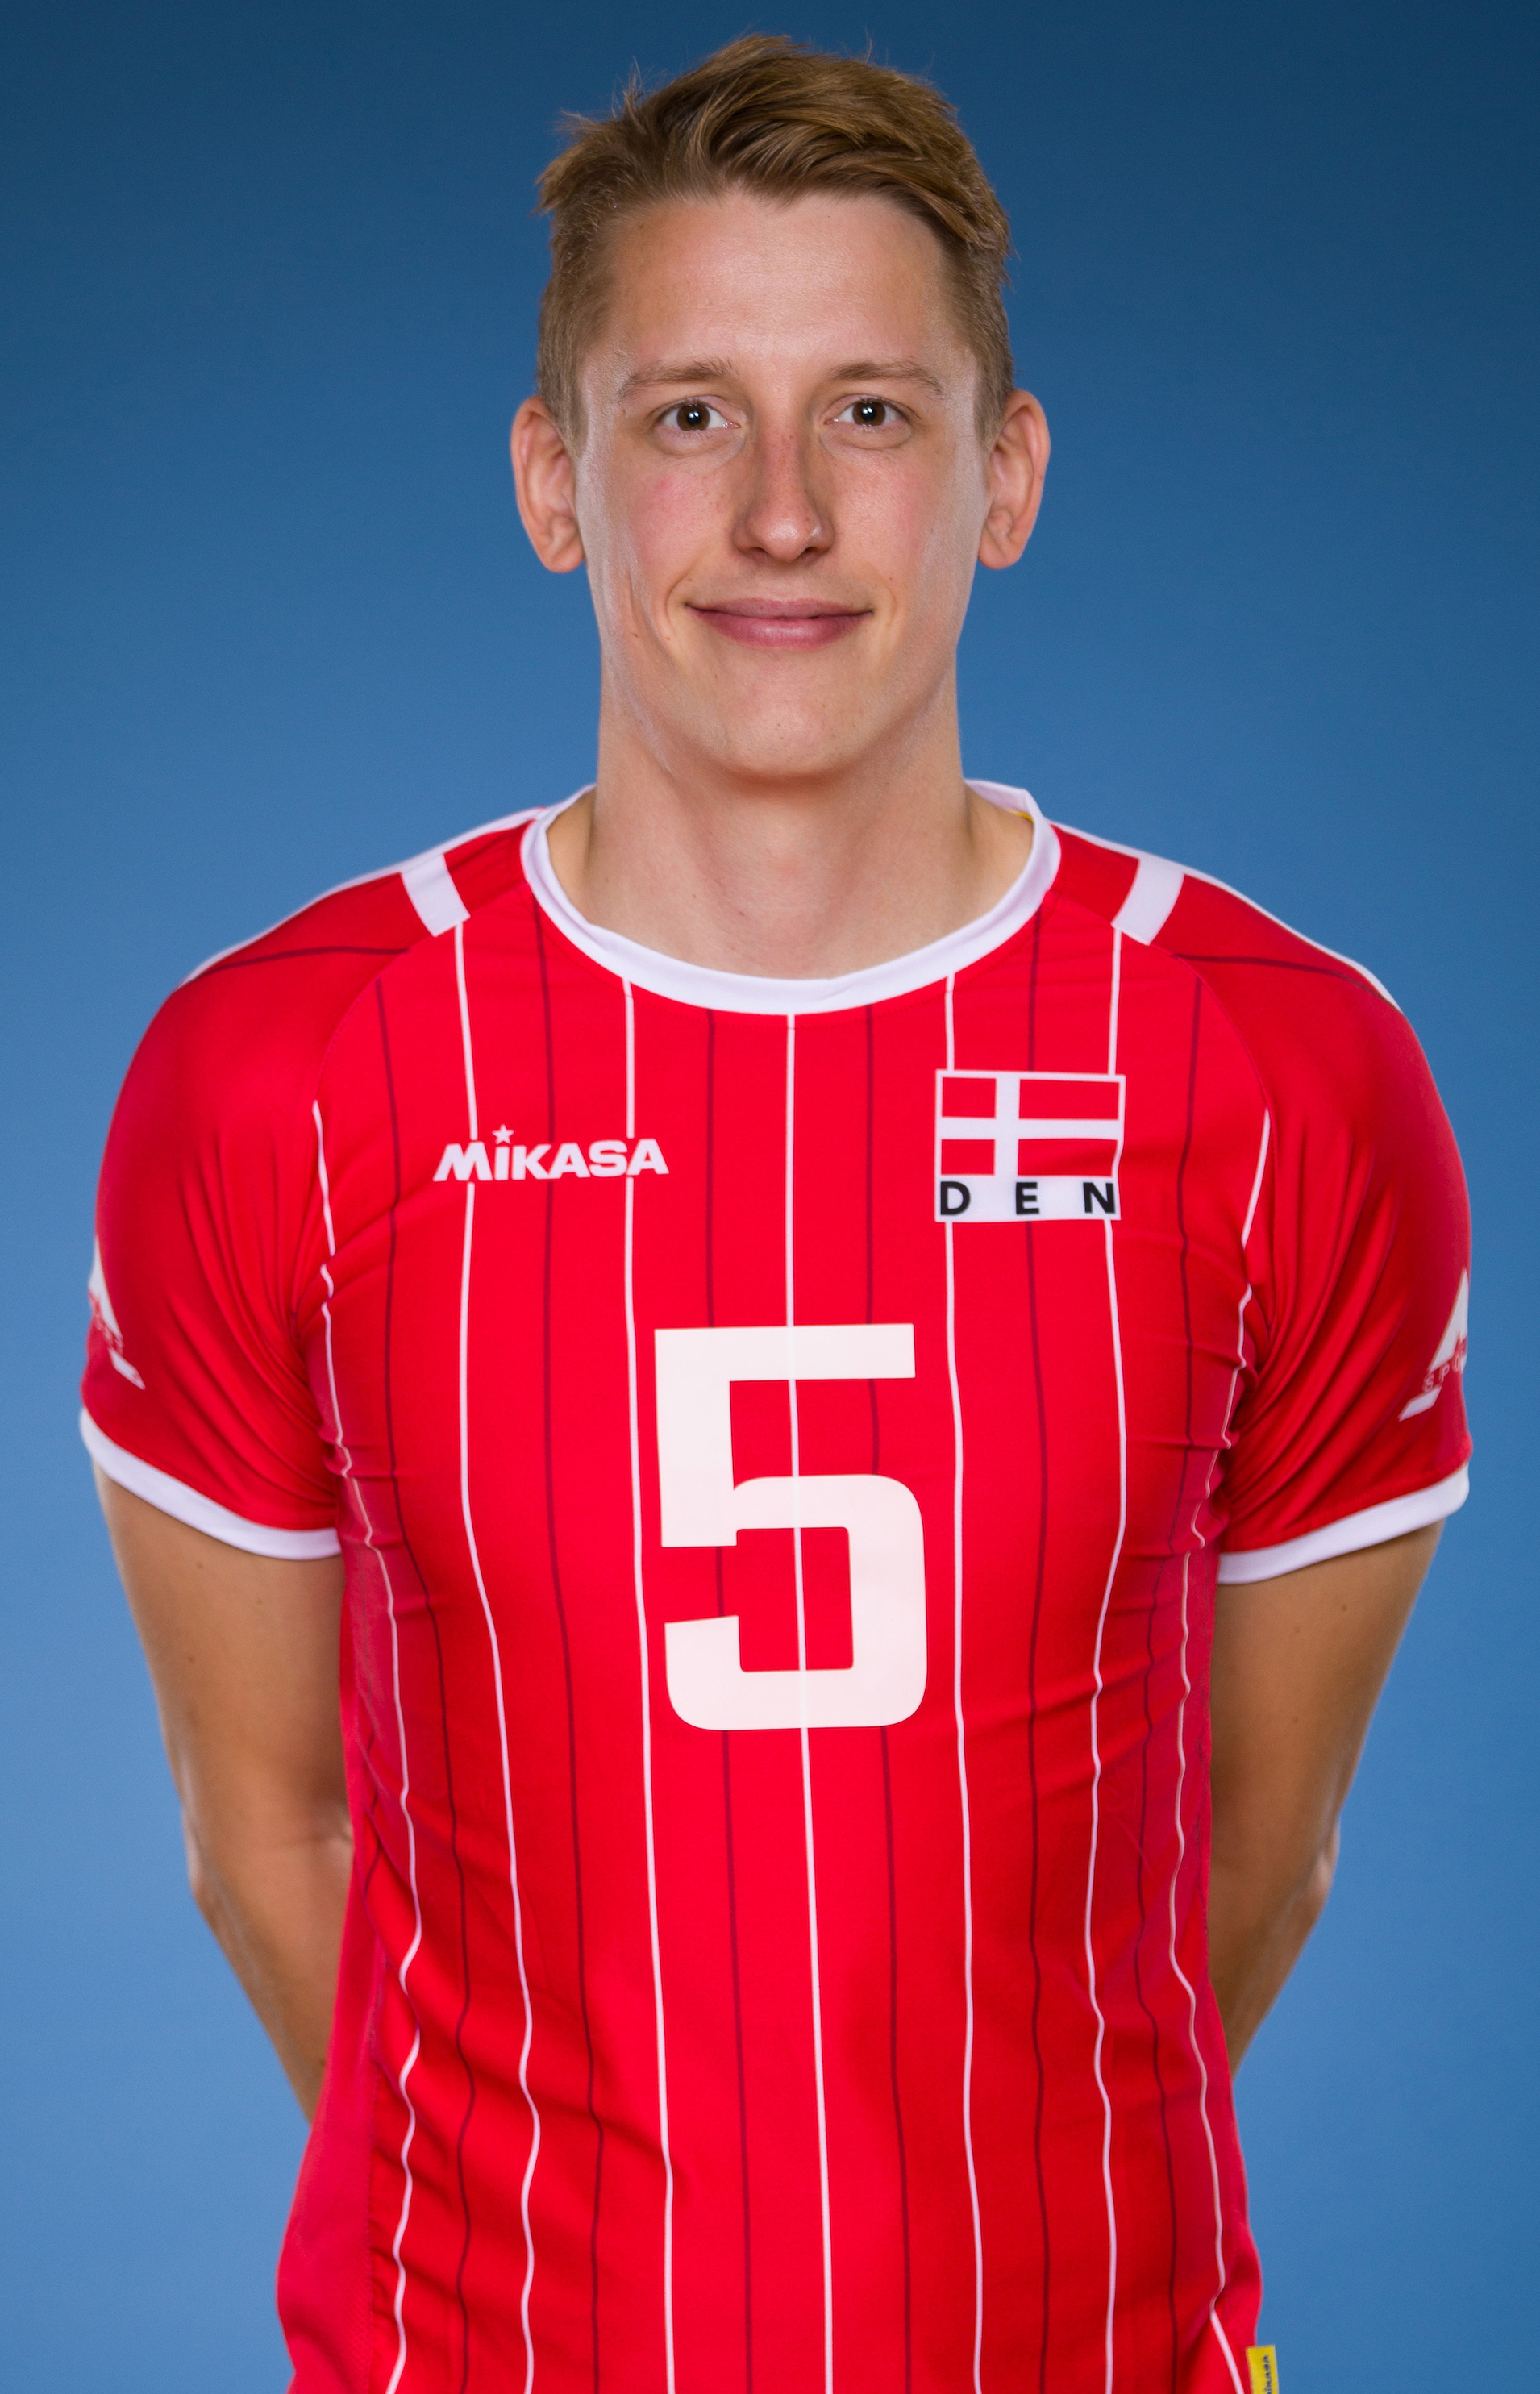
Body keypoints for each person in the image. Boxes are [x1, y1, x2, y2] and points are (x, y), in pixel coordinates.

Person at [82, 35, 1471, 2394]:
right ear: (556, 481)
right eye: (694, 414)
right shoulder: (279, 1079)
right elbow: (264, 1836)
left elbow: (1258, 1853)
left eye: (874, 414)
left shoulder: (1284, 1077)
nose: (786, 516)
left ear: (1007, 476)